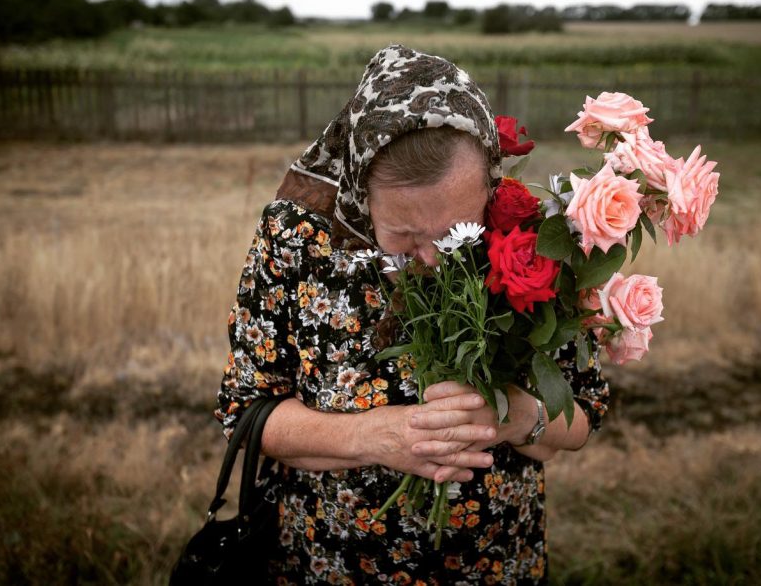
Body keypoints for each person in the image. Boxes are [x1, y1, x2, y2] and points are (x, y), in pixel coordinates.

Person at [214, 44, 610, 585]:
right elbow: (245, 412)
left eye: (453, 234)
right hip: (331, 564)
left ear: (488, 187)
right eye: (402, 235)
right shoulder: (296, 238)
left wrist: (522, 417)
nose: (430, 258)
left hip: (494, 564)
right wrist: (373, 437)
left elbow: (583, 413)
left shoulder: (527, 238)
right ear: (359, 194)